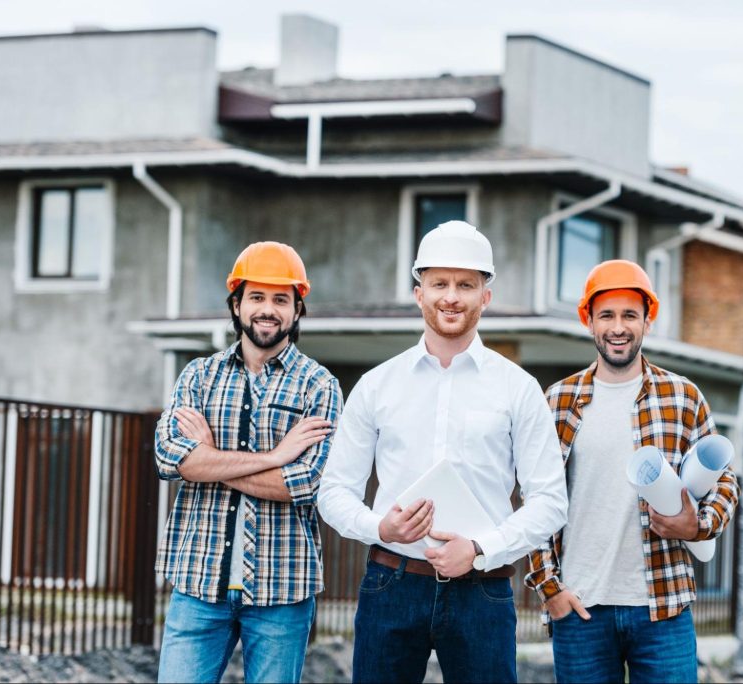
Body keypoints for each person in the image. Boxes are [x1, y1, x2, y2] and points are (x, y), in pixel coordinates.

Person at [317, 220, 567, 684]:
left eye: (465, 285)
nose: (451, 296)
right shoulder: (377, 386)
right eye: (439, 284)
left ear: (484, 297)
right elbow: (333, 491)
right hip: (391, 584)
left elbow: (551, 501)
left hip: (483, 592)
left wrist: (479, 549)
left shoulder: (518, 389)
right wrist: (381, 527)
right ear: (419, 293)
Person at [525, 259, 740, 684]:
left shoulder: (683, 397)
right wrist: (550, 590)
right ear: (589, 321)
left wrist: (696, 524)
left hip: (663, 608)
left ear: (647, 321)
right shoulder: (557, 401)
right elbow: (534, 500)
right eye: (606, 315)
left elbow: (726, 481)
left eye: (629, 315)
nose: (618, 327)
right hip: (581, 609)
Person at [154, 241, 341, 684]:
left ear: (297, 310)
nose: (268, 309)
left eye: (281, 299)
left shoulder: (319, 386)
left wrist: (209, 461)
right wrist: (275, 457)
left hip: (283, 590)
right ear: (237, 304)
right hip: (199, 583)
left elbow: (306, 482)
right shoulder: (198, 376)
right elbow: (171, 459)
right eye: (256, 297)